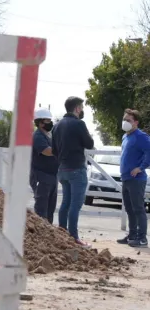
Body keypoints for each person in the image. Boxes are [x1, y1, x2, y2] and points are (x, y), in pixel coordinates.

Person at [52, 96, 94, 248]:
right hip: (76, 169)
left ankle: (62, 234)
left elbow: (54, 150)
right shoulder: (79, 124)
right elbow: (90, 143)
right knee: (75, 205)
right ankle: (74, 238)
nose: (82, 110)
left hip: (62, 169)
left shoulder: (56, 126)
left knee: (65, 203)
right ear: (77, 108)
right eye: (81, 107)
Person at [117, 109, 150, 248]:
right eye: (124, 119)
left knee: (138, 209)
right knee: (129, 209)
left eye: (128, 120)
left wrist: (140, 168)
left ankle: (142, 238)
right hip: (126, 178)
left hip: (137, 179)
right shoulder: (126, 136)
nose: (125, 122)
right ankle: (132, 235)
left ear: (136, 122)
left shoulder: (141, 136)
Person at [30, 108, 59, 224]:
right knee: (41, 210)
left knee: (50, 209)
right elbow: (46, 151)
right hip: (41, 177)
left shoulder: (49, 135)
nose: (50, 123)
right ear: (40, 122)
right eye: (47, 121)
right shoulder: (37, 136)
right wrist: (60, 150)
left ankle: (49, 235)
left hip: (52, 177)